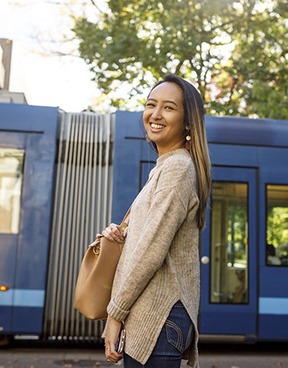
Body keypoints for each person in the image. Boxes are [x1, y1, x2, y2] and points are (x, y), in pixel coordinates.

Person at [98, 74, 211, 367]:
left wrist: (115, 313)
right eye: (151, 104)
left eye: (169, 107)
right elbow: (147, 239)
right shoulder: (164, 169)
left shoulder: (177, 169)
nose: (155, 114)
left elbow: (152, 249)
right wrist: (121, 234)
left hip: (158, 317)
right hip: (153, 315)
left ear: (188, 122)